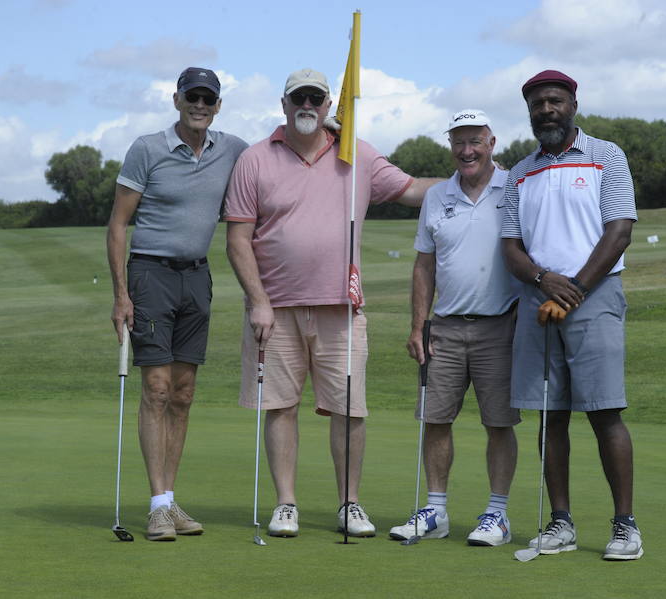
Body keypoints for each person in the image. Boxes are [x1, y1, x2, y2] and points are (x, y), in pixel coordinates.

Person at [224, 68, 440, 538]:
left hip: (340, 307)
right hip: (274, 309)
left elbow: (413, 191)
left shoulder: (356, 154)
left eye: (315, 97)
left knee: (349, 409)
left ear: (327, 105)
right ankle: (286, 504)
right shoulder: (255, 160)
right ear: (284, 104)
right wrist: (257, 300)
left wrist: (478, 175)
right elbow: (238, 239)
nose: (307, 104)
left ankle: (349, 503)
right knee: (280, 407)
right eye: (298, 96)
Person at [501, 70, 643, 560]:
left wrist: (575, 289)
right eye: (538, 104)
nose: (547, 111)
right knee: (549, 416)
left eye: (555, 101)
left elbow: (619, 230)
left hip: (594, 295)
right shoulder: (520, 172)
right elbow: (511, 248)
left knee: (605, 412)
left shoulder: (606, 156)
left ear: (573, 104)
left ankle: (625, 526)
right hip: (538, 302)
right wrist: (543, 282)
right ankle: (560, 523)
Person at [106, 67, 248, 541]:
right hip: (150, 275)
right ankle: (157, 505)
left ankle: (169, 499)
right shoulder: (148, 149)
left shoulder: (232, 149)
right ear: (177, 100)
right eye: (193, 97)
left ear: (218, 106)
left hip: (197, 276)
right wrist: (120, 294)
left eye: (209, 99)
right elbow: (118, 225)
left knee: (184, 392)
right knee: (158, 389)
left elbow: (278, 154)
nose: (200, 106)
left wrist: (328, 126)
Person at [388, 110, 521, 547]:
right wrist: (417, 325)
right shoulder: (437, 196)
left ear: (491, 142)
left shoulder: (515, 187)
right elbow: (424, 265)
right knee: (436, 419)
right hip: (444, 328)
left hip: (500, 327)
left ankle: (497, 515)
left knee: (499, 423)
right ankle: (437, 510)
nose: (467, 151)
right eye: (458, 142)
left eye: (475, 142)